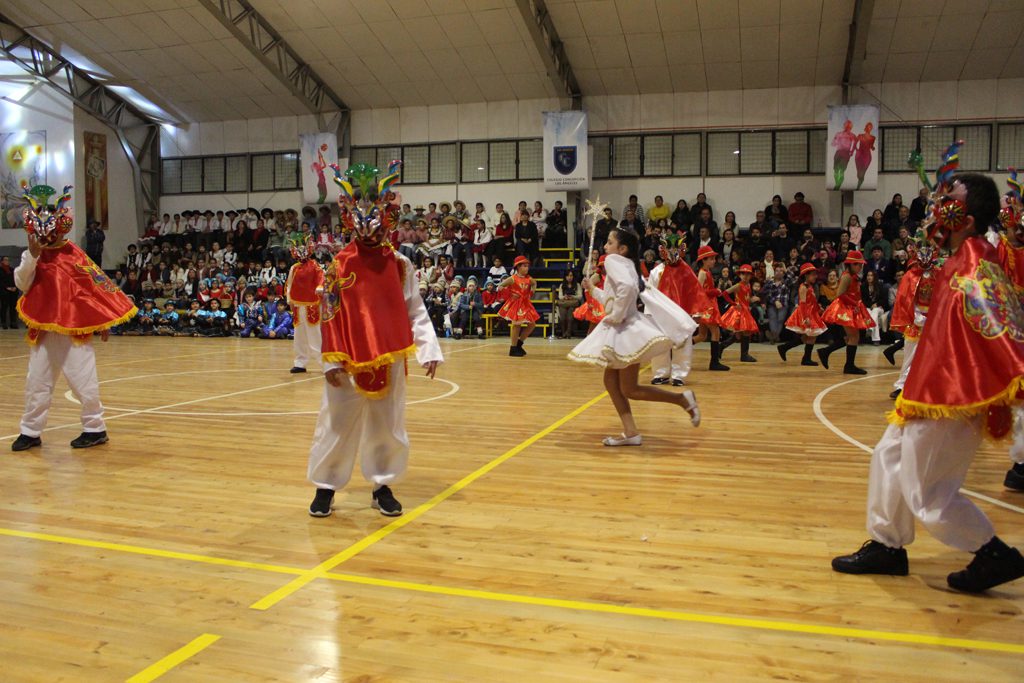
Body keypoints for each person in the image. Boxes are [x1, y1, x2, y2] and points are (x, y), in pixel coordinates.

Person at [832, 172, 1024, 593]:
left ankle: (992, 552)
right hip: (927, 390)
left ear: (967, 220)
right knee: (888, 456)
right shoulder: (960, 256)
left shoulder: (976, 266)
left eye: (948, 202)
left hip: (953, 397)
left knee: (928, 491)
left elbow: (1002, 329)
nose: (937, 208)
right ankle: (887, 545)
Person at [308, 162, 442, 519]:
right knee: (336, 423)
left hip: (390, 355)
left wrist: (428, 349)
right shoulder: (339, 265)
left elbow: (414, 308)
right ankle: (325, 486)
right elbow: (329, 312)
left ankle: (382, 485)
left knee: (387, 425)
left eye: (379, 227)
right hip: (346, 356)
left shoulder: (399, 264)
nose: (372, 233)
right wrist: (330, 361)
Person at [11, 185, 136, 452]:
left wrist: (103, 320)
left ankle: (95, 428)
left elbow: (95, 287)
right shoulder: (32, 255)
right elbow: (22, 283)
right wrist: (32, 256)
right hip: (44, 329)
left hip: (75, 330)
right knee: (37, 383)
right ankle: (30, 431)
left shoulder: (75, 254)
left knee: (83, 382)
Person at [568, 229, 699, 446]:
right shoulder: (628, 264)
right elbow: (613, 298)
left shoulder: (612, 260)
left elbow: (627, 289)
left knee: (630, 389)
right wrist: (592, 289)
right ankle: (631, 431)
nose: (605, 246)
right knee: (613, 383)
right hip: (627, 328)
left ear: (622, 249)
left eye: (609, 242)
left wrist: (617, 316)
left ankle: (681, 399)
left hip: (624, 330)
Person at [883, 244, 935, 400]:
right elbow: (906, 299)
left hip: (934, 320)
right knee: (910, 355)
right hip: (916, 320)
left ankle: (931, 387)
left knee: (934, 357)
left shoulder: (938, 274)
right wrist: (917, 316)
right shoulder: (910, 276)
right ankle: (902, 386)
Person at [647, 246, 696, 386]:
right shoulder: (656, 272)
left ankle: (679, 375)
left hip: (682, 312)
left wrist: (695, 312)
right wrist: (649, 314)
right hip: (661, 313)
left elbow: (693, 292)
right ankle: (660, 373)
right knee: (660, 344)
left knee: (682, 343)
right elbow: (650, 293)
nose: (672, 253)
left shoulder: (686, 271)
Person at [818, 250, 873, 374]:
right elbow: (840, 294)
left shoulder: (851, 276)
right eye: (858, 264)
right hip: (846, 309)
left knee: (852, 337)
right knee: (854, 337)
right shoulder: (847, 276)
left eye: (861, 265)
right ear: (851, 264)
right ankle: (848, 366)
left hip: (850, 307)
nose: (860, 267)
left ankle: (826, 352)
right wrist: (855, 303)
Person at [285, 240, 324, 373]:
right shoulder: (294, 268)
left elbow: (321, 277)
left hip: (312, 304)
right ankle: (300, 362)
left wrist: (320, 287)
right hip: (297, 304)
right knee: (299, 335)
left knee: (315, 335)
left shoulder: (314, 265)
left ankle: (324, 363)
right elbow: (289, 284)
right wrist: (289, 300)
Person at [778, 263, 827, 366]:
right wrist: (805, 318)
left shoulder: (810, 286)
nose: (815, 276)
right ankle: (806, 358)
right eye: (813, 274)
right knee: (812, 336)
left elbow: (812, 302)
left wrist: (819, 309)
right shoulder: (803, 287)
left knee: (806, 337)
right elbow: (803, 304)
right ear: (806, 275)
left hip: (811, 313)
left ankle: (784, 348)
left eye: (815, 274)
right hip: (806, 314)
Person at [497, 255, 539, 357]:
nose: (527, 268)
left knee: (532, 324)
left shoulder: (529, 278)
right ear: (518, 267)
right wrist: (510, 294)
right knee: (516, 325)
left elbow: (534, 284)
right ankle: (513, 348)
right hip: (516, 303)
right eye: (524, 266)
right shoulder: (513, 278)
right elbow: (500, 287)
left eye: (527, 266)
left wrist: (531, 292)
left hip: (525, 303)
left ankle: (519, 344)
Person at [574, 255, 606, 334]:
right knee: (594, 325)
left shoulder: (611, 276)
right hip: (597, 303)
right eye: (603, 266)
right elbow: (585, 287)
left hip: (606, 301)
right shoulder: (598, 276)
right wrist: (585, 283)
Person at [554, 270, 582, 339]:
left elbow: (580, 296)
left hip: (573, 303)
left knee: (570, 317)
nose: (569, 277)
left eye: (571, 275)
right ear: (565, 277)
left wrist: (573, 296)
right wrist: (565, 297)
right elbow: (560, 296)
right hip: (564, 303)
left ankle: (568, 333)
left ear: (573, 276)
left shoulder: (577, 285)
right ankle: (564, 333)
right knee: (563, 317)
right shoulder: (562, 285)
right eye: (568, 276)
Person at [0, 255, 17, 329]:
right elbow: (1, 281)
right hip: (4, 291)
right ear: (2, 261)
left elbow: (15, 279)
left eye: (8, 260)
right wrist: (7, 287)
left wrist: (15, 287)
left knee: (13, 307)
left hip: (13, 291)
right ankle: (3, 323)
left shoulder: (12, 270)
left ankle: (13, 323)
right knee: (4, 307)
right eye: (6, 260)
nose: (7, 261)